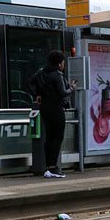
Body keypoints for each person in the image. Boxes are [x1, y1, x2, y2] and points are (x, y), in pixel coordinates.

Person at [34, 50, 76, 178]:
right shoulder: (57, 75)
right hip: (56, 109)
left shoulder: (41, 73)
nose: (63, 64)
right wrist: (72, 88)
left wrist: (37, 95)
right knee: (57, 138)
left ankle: (48, 167)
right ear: (59, 63)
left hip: (45, 109)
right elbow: (63, 93)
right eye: (63, 62)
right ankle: (53, 168)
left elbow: (29, 82)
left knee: (49, 138)